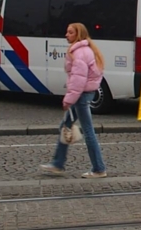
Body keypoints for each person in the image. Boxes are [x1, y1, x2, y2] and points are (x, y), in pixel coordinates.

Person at [41, 23, 107, 178]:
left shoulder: (79, 53)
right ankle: (58, 163)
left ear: (78, 34)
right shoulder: (86, 49)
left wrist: (68, 100)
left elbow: (78, 80)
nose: (66, 35)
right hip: (83, 94)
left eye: (70, 32)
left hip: (81, 96)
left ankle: (98, 168)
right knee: (65, 126)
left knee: (88, 131)